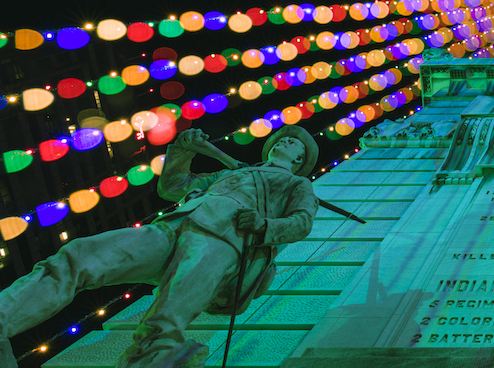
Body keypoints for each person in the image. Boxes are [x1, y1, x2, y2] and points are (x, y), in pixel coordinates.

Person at [0, 125, 318, 368]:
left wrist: (264, 226)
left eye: (294, 143)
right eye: (282, 138)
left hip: (224, 241)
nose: (284, 141)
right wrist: (181, 150)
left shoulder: (297, 184)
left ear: (300, 159)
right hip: (174, 225)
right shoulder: (232, 171)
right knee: (78, 257)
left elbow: (302, 221)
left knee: (161, 329)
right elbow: (172, 187)